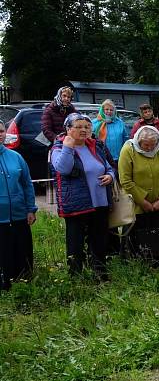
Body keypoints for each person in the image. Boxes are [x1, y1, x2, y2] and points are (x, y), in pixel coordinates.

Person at [50, 113, 115, 278]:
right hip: (77, 204)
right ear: (68, 129)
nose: (84, 130)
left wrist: (110, 176)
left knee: (99, 240)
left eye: (87, 127)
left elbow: (108, 167)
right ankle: (76, 277)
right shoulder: (58, 148)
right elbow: (63, 169)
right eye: (78, 127)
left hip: (100, 202)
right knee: (75, 243)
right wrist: (68, 147)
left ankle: (100, 273)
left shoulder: (95, 145)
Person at [119, 126, 159, 262]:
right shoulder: (128, 150)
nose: (149, 148)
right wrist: (143, 201)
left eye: (152, 145)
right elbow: (125, 180)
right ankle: (137, 262)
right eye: (146, 145)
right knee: (137, 235)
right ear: (139, 141)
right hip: (137, 205)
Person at [0, 120, 37, 290]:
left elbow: (27, 184)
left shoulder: (16, 157)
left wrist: (31, 208)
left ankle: (25, 281)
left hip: (20, 214)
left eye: (1, 131)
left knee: (22, 250)